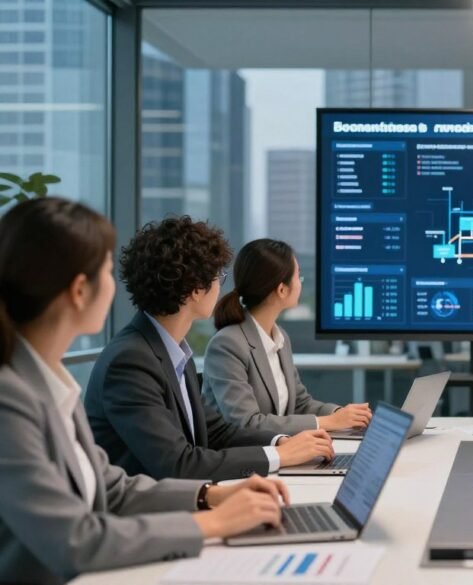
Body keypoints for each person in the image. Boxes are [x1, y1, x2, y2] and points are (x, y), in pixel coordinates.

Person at [0, 198, 290, 584]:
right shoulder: (10, 401)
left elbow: (111, 488)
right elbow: (76, 540)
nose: (114, 284)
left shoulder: (51, 384)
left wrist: (209, 496)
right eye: (105, 270)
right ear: (79, 291)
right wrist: (213, 523)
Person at [86, 217, 335, 482]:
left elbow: (217, 432)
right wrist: (280, 457)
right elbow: (179, 464)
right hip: (150, 514)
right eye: (218, 276)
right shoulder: (131, 361)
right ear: (195, 289)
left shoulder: (173, 353)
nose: (220, 285)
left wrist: (281, 442)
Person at [202, 238, 372, 435]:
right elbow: (246, 423)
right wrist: (329, 421)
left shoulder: (280, 337)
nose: (300, 283)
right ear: (282, 290)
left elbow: (299, 403)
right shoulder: (227, 344)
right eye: (298, 276)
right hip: (243, 459)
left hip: (280, 452)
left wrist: (341, 414)